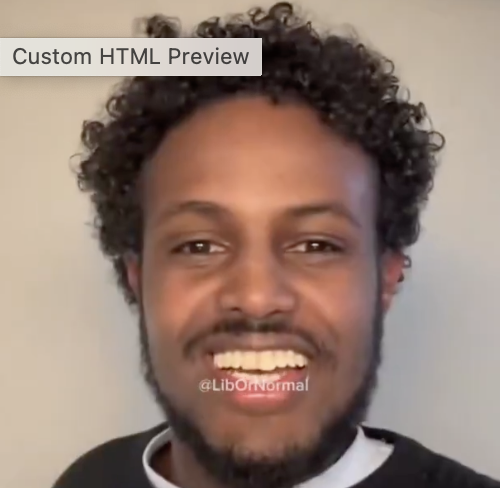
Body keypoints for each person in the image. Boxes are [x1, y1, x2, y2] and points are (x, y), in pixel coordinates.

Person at [52, 3, 499, 488]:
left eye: (316, 245)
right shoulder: (91, 479)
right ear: (137, 278)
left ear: (386, 278)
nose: (257, 298)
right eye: (199, 246)